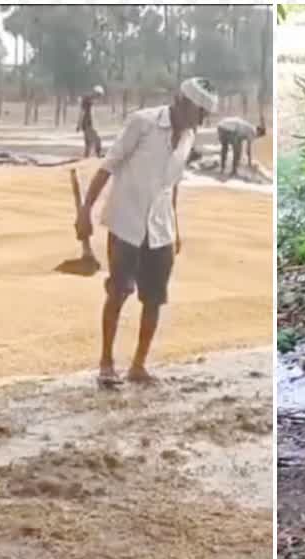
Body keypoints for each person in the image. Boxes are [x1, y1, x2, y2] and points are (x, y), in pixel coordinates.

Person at [75, 77, 218, 387]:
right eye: (199, 111)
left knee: (154, 299)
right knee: (118, 292)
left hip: (161, 228)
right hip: (127, 222)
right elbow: (108, 166)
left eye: (206, 113)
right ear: (181, 102)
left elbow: (173, 184)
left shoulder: (189, 137)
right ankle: (106, 361)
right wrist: (85, 210)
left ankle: (138, 365)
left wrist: (175, 227)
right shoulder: (143, 123)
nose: (202, 119)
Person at [79, 85, 105, 159]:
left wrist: (79, 124)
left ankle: (86, 158)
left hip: (86, 124)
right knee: (97, 139)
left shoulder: (89, 101)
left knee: (88, 143)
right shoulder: (88, 101)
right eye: (99, 96)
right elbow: (82, 112)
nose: (99, 98)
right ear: (96, 94)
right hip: (88, 124)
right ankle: (98, 155)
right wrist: (79, 124)